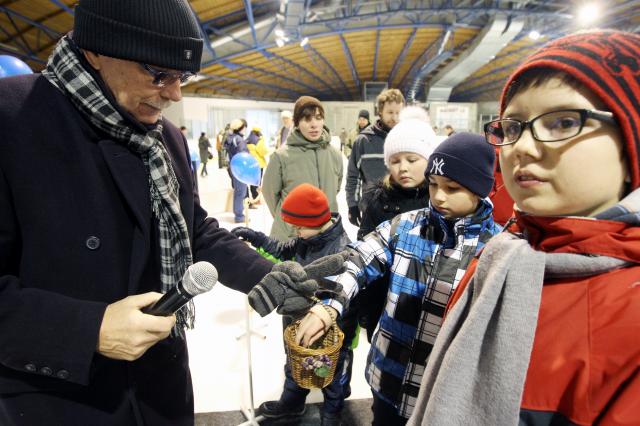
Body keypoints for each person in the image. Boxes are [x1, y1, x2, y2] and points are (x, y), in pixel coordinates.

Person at [0, 0, 278, 424]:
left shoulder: (165, 137)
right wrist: (87, 329)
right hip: (58, 398)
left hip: (160, 393)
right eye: (159, 73)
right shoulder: (12, 119)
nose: (175, 94)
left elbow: (193, 228)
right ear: (95, 50)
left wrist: (267, 275)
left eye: (182, 76)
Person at [408, 31, 640, 426]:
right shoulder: (504, 252)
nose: (524, 148)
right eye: (513, 127)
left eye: (563, 121)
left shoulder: (628, 312)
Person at [294, 133, 502, 425]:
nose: (439, 196)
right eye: (433, 184)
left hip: (442, 396)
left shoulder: (496, 248)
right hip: (388, 380)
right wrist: (329, 305)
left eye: (452, 187)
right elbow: (359, 258)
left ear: (480, 189)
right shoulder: (405, 226)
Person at [231, 184, 355, 426]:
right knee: (295, 362)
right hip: (296, 322)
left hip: (329, 328)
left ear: (316, 220)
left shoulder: (341, 250)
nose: (295, 232)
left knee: (332, 372)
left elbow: (346, 293)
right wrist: (256, 237)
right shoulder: (307, 238)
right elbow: (282, 250)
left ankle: (332, 414)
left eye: (299, 226)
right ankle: (292, 403)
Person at [355, 119, 439, 343]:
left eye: (412, 160)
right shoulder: (377, 200)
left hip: (427, 309)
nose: (403, 168)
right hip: (383, 304)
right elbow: (364, 253)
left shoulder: (440, 201)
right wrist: (365, 307)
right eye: (394, 161)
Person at [262, 96, 343, 241]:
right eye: (307, 119)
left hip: (326, 236)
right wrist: (288, 222)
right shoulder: (281, 156)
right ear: (297, 123)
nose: (314, 125)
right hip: (291, 237)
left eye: (318, 118)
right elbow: (269, 193)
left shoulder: (334, 154)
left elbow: (335, 188)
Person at [346, 89, 404, 227]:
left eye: (398, 113)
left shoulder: (407, 138)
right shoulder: (363, 141)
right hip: (372, 211)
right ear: (380, 112)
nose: (395, 117)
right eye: (390, 112)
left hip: (403, 212)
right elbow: (353, 176)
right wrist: (353, 205)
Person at [224, 118, 250, 223]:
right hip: (240, 169)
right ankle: (239, 216)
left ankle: (238, 214)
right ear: (241, 128)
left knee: (238, 191)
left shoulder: (230, 138)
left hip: (232, 167)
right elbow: (243, 155)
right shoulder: (239, 139)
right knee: (241, 192)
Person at [246, 126, 268, 204]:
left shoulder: (247, 140)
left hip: (250, 163)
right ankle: (256, 198)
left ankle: (252, 197)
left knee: (252, 181)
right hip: (258, 164)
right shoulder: (259, 140)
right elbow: (263, 151)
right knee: (257, 182)